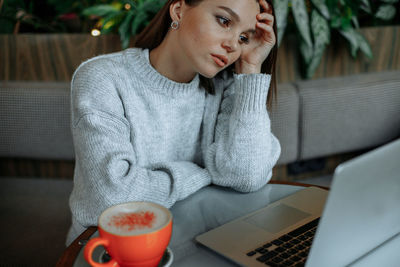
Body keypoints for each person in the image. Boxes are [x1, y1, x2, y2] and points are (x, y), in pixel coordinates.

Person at [66, 0, 281, 245]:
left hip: (192, 243)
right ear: (178, 9)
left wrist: (251, 71)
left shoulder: (229, 88)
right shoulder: (103, 77)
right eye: (224, 21)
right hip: (109, 249)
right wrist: (203, 173)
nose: (232, 45)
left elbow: (247, 176)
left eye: (244, 37)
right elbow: (112, 199)